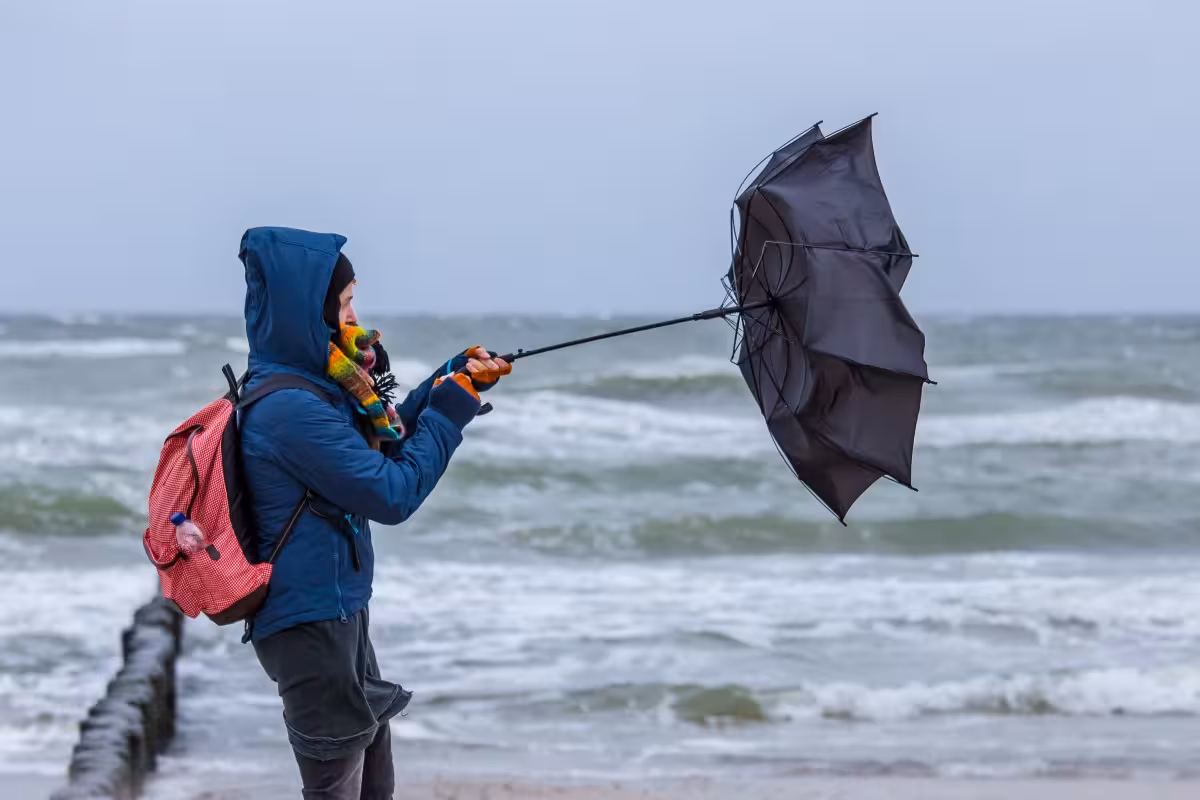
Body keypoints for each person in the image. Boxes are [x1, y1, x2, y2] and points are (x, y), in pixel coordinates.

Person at [236, 226, 509, 799]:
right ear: (308, 310)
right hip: (310, 625)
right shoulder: (290, 408)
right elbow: (391, 493)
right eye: (345, 302)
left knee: (374, 780)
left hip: (339, 611)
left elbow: (387, 437)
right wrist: (451, 412)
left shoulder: (323, 382)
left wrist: (449, 378)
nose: (356, 315)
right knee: (338, 786)